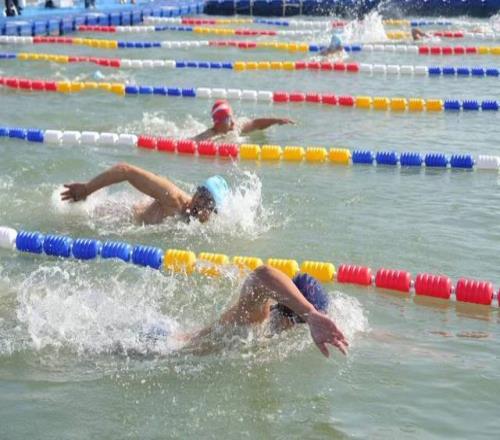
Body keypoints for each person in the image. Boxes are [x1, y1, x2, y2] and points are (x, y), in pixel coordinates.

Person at [183, 265, 348, 357]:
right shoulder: (258, 317)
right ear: (292, 318)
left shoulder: (271, 328)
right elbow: (263, 274)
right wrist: (310, 313)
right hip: (176, 352)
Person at [60, 163, 229, 224]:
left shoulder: (204, 224)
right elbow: (125, 170)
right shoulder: (173, 199)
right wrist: (87, 189)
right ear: (196, 191)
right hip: (117, 216)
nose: (200, 203)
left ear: (213, 211)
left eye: (208, 202)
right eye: (201, 193)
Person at [192, 100, 294, 142]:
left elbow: (256, 123)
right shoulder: (208, 135)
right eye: (228, 119)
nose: (232, 122)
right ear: (217, 123)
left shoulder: (237, 126)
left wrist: (276, 120)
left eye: (232, 117)